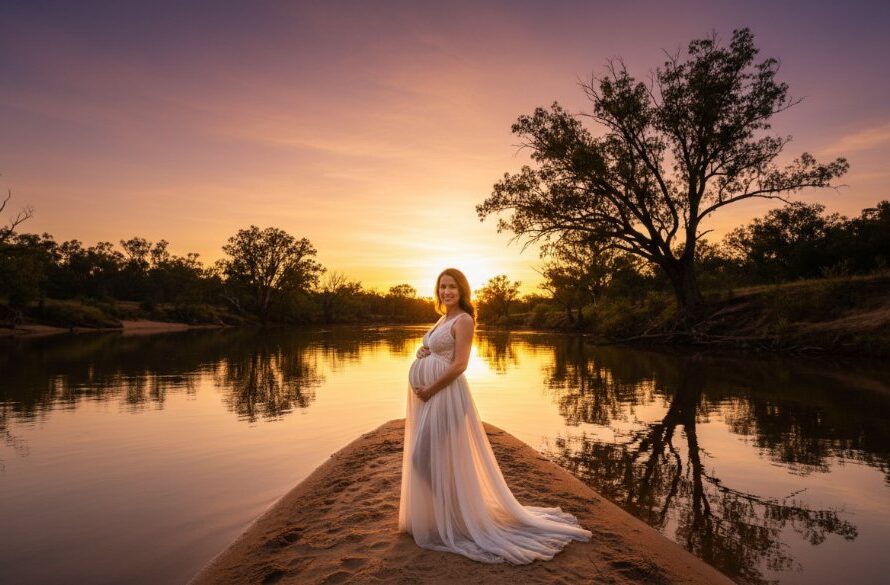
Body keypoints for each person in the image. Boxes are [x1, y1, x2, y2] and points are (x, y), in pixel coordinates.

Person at [398, 267, 592, 564]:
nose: (446, 292)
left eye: (452, 287)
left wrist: (431, 388)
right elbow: (439, 352)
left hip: (446, 396)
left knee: (421, 457)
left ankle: (455, 516)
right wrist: (422, 354)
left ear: (462, 291)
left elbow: (460, 364)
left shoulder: (464, 320)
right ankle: (449, 513)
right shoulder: (443, 318)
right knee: (429, 457)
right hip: (431, 398)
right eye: (442, 287)